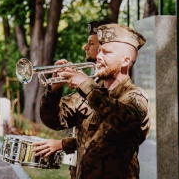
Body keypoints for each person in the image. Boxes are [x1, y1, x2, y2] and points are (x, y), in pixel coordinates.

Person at [34, 23, 150, 178]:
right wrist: (54, 90)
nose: (99, 57)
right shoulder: (87, 94)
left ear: (125, 61)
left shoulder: (136, 97)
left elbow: (120, 120)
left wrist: (85, 85)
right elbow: (53, 120)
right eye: (100, 51)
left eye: (106, 53)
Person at [32, 20, 110, 179]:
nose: (85, 47)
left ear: (105, 49)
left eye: (91, 43)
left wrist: (62, 144)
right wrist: (54, 89)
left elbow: (107, 137)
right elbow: (53, 120)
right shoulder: (85, 91)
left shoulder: (122, 93)